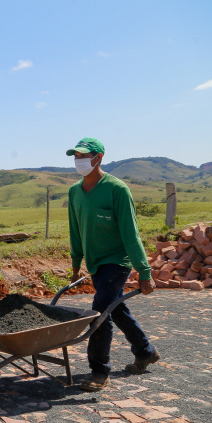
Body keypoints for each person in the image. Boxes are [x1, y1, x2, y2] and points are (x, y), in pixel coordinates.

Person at [66, 137, 158, 392]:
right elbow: (75, 229)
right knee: (115, 308)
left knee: (99, 312)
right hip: (95, 261)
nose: (79, 160)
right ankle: (145, 351)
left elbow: (131, 233)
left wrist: (144, 271)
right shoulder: (75, 191)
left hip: (117, 260)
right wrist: (76, 263)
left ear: (99, 157)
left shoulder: (117, 189)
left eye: (84, 156)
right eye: (76, 156)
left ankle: (99, 371)